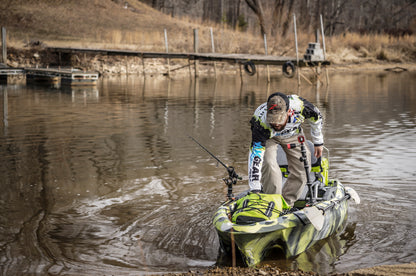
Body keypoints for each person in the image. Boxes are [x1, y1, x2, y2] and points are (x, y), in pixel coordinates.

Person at [248, 92, 324, 206]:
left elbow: (316, 118)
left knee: (303, 167)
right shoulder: (260, 120)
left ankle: (287, 204)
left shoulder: (301, 106)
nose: (276, 124)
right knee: (268, 164)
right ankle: (273, 203)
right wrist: (254, 187)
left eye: (280, 119)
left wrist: (318, 141)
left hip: (293, 135)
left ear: (289, 112)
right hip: (269, 137)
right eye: (272, 120)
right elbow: (256, 156)